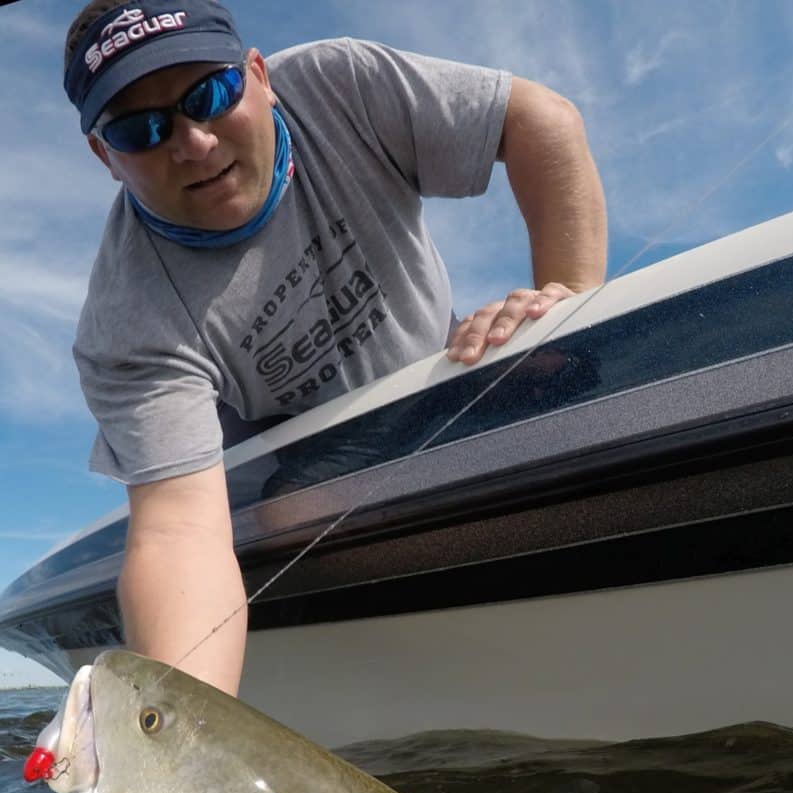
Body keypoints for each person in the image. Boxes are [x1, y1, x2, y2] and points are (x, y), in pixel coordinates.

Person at [63, 0, 607, 698]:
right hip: (304, 464)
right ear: (105, 156)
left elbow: (540, 119)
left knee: (562, 364)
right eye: (142, 129)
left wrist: (569, 300)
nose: (193, 143)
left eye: (211, 95)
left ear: (259, 76)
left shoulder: (343, 85)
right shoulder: (126, 325)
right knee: (287, 513)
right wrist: (179, 733)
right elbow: (178, 534)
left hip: (437, 374)